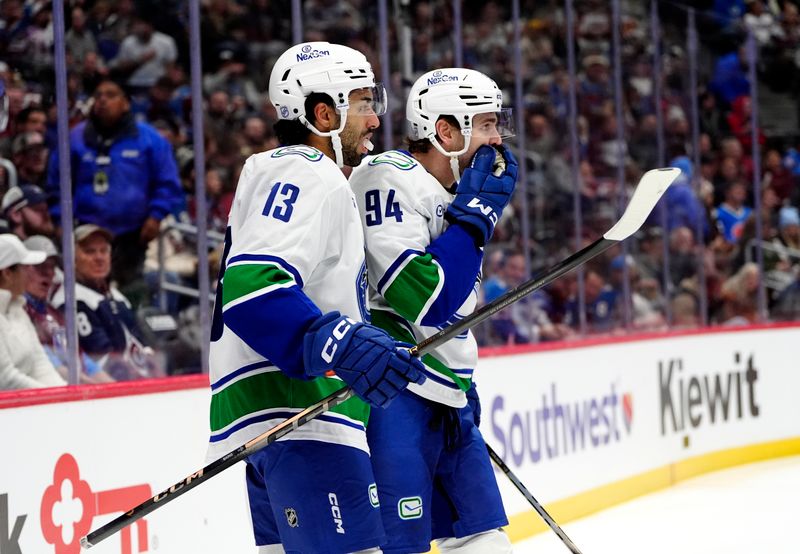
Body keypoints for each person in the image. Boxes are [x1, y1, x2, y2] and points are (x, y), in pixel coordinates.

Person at [207, 42, 425, 554]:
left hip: (278, 418)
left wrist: (356, 336)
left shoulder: (294, 174)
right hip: (302, 417)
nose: (374, 120)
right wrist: (339, 344)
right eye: (363, 103)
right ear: (322, 113)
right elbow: (252, 286)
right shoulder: (307, 169)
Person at [349, 68, 517, 553]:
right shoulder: (389, 178)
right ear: (445, 131)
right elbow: (419, 296)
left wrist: (463, 377)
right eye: (485, 125)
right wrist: (475, 223)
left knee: (482, 536)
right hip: (395, 392)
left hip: (448, 391)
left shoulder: (456, 193)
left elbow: (453, 310)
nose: (496, 140)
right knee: (399, 545)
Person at [46, 77, 183, 302]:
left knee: (132, 292)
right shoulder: (75, 138)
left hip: (133, 233)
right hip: (87, 232)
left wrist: (156, 216)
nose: (102, 101)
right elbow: (56, 184)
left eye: (110, 95)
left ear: (126, 103)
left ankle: (134, 333)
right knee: (87, 293)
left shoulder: (149, 139)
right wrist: (60, 221)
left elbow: (167, 182)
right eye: (98, 95)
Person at [50, 224, 159, 381]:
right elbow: (103, 358)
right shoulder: (71, 301)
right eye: (90, 251)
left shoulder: (116, 296)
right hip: (111, 386)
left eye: (104, 251)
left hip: (137, 376)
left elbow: (138, 341)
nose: (99, 258)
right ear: (72, 258)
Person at [22, 235, 114, 384]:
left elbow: (83, 361)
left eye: (51, 267)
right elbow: (47, 363)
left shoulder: (53, 311)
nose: (48, 273)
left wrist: (112, 387)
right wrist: (89, 386)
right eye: (40, 266)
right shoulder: (18, 312)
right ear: (20, 269)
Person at [0, 233, 65, 389]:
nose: (27, 274)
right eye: (23, 268)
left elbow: (39, 363)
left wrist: (64, 394)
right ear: (7, 273)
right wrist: (50, 399)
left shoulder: (17, 309)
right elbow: (5, 378)